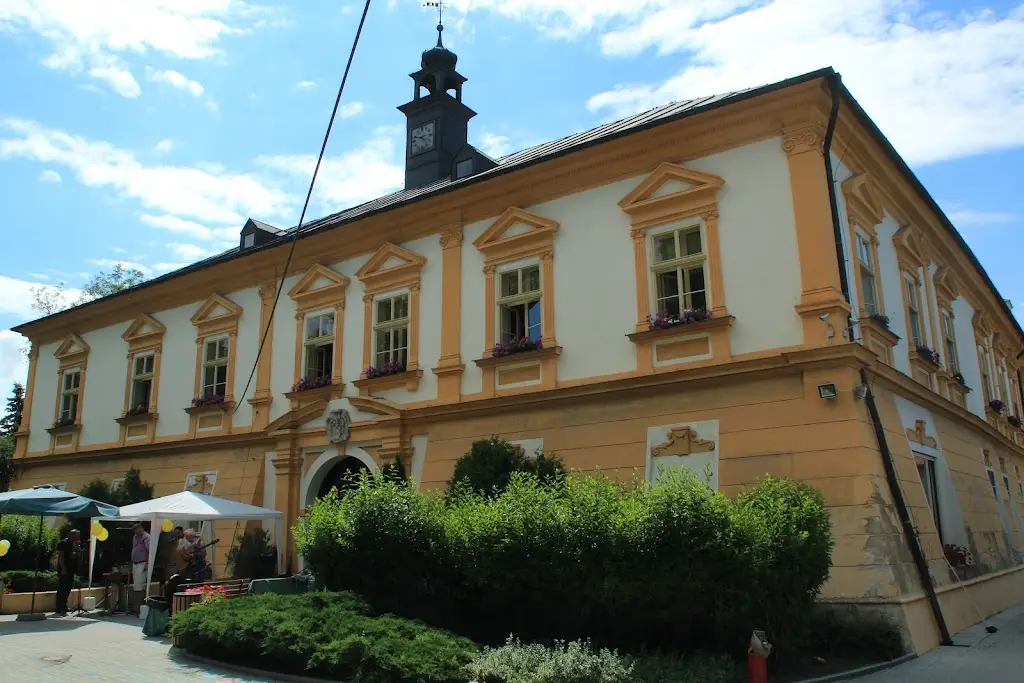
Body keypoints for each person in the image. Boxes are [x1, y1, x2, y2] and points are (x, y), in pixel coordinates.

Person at [54, 529, 80, 617]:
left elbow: (75, 555)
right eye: (76, 536)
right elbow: (60, 557)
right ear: (71, 535)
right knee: (62, 587)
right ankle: (59, 607)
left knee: (68, 587)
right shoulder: (63, 543)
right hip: (64, 568)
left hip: (71, 568)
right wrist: (63, 568)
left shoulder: (74, 544)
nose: (78, 537)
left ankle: (64, 606)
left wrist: (77, 547)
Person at [129, 523, 151, 615]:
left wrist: (148, 563)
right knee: (136, 584)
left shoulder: (147, 537)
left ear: (141, 529)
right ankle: (136, 607)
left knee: (139, 585)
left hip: (142, 563)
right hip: (135, 563)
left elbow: (150, 551)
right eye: (135, 532)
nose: (137, 533)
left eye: (138, 531)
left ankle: (139, 607)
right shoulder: (135, 537)